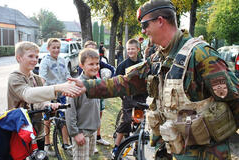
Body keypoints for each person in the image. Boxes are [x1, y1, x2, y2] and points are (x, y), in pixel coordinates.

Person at [70, 0, 239, 159]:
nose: (143, 30)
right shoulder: (158, 58)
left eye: (145, 25)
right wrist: (87, 85)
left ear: (160, 21)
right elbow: (127, 82)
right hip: (172, 148)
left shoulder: (201, 55)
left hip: (206, 154)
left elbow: (234, 99)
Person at [7, 41, 81, 151]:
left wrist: (49, 105)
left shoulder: (36, 78)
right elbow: (27, 95)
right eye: (30, 56)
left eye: (36, 57)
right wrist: (57, 88)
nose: (34, 60)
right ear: (19, 58)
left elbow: (39, 102)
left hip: (38, 130)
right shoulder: (15, 78)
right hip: (20, 131)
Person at [112, 39, 147, 157]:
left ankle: (137, 147)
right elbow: (116, 80)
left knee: (138, 122)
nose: (131, 51)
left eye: (133, 49)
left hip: (140, 98)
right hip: (127, 97)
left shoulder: (143, 64)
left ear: (138, 49)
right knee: (126, 121)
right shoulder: (123, 65)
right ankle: (117, 146)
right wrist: (122, 95)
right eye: (129, 49)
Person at [66, 48, 101, 160]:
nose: (95, 67)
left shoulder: (96, 83)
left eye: (97, 63)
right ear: (81, 65)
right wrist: (75, 133)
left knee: (88, 156)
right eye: (91, 64)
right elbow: (70, 111)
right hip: (82, 132)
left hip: (93, 130)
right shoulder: (76, 85)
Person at [39, 38, 72, 156]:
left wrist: (71, 85)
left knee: (64, 118)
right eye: (53, 47)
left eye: (58, 47)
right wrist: (41, 92)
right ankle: (47, 145)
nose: (56, 50)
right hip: (50, 93)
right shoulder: (45, 61)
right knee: (47, 119)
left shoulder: (63, 60)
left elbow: (67, 75)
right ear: (48, 49)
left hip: (62, 93)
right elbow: (42, 77)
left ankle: (66, 144)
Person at [79, 41, 114, 150]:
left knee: (98, 111)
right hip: (82, 129)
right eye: (90, 49)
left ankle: (96, 137)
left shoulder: (99, 66)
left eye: (97, 64)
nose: (95, 66)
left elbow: (111, 68)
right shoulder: (80, 80)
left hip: (99, 88)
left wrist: (108, 78)